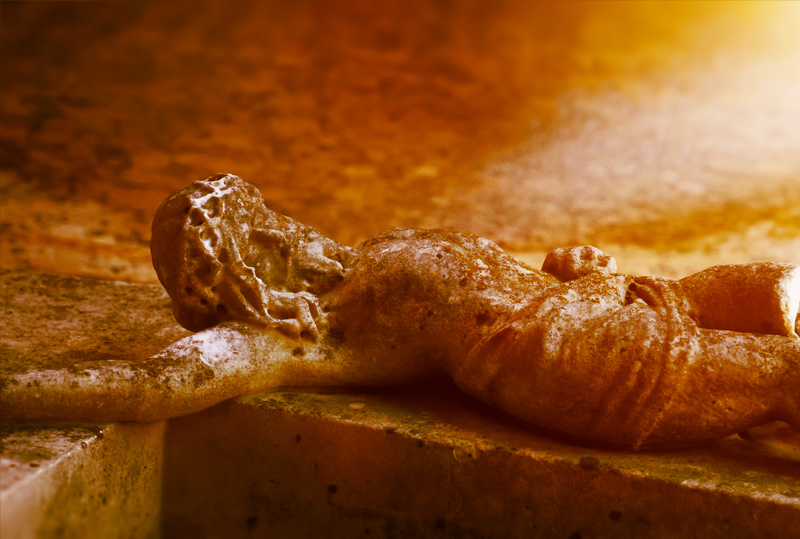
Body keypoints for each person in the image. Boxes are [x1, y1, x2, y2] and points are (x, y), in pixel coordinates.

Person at [2, 174, 798, 449]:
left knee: (773, 287)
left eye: (263, 214)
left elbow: (503, 287)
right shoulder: (298, 335)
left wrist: (569, 271)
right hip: (579, 365)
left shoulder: (368, 254)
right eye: (254, 239)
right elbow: (151, 387)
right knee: (789, 372)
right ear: (246, 281)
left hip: (599, 308)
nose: (283, 230)